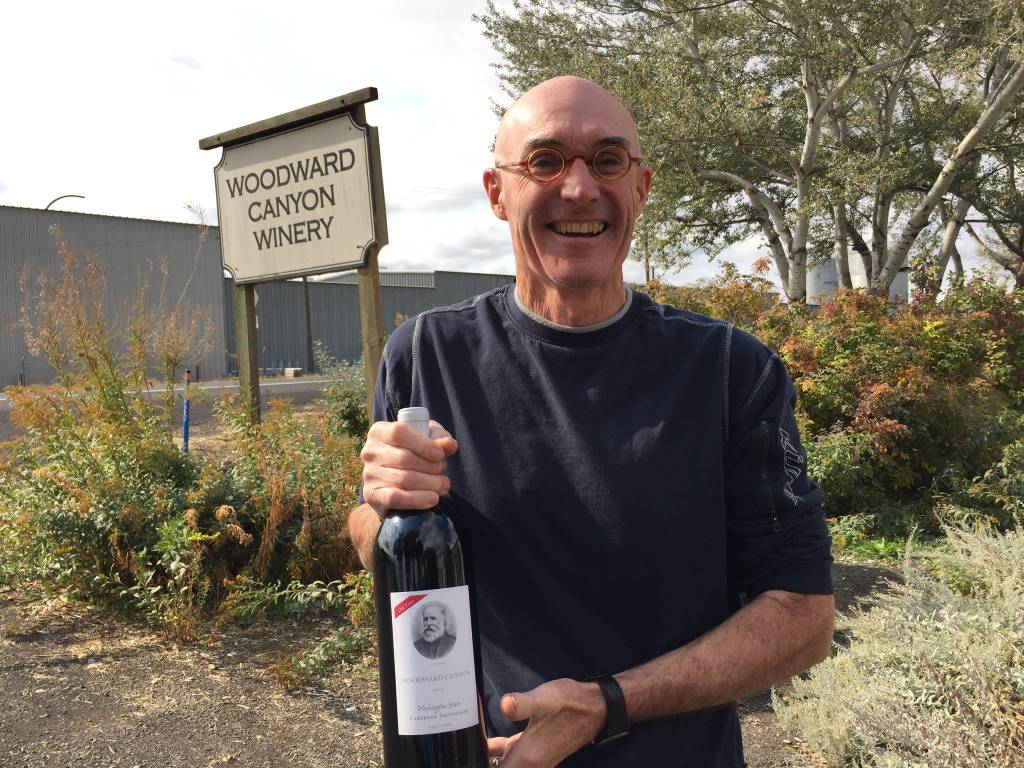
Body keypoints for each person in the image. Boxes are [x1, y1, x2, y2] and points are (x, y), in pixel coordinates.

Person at [348, 76, 834, 767]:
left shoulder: (730, 371)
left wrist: (607, 703)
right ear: (497, 192)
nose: (579, 188)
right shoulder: (426, 354)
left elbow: (803, 616)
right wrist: (382, 508)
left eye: (607, 161)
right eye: (545, 161)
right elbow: (371, 532)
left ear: (641, 187)